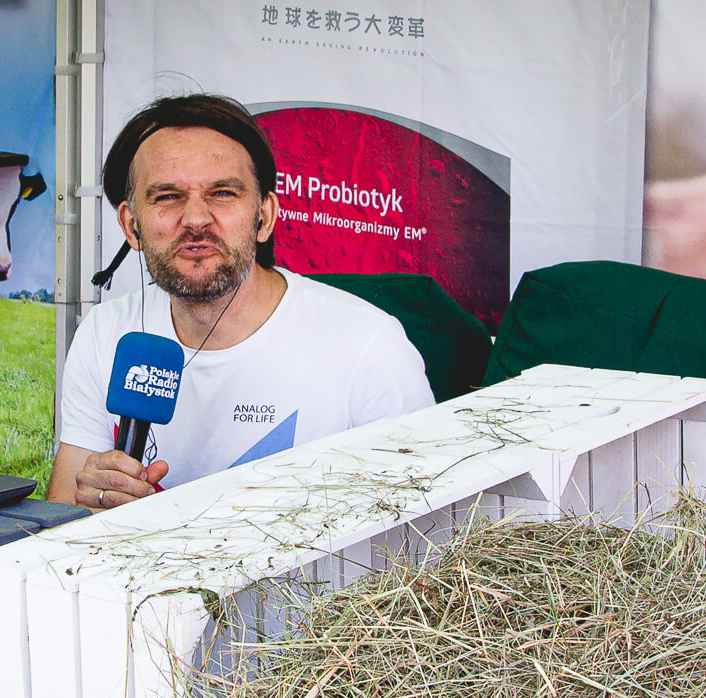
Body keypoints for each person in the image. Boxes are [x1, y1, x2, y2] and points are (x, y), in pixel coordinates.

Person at [49, 94, 433, 510]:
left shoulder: (369, 348)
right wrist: (93, 509)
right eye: (167, 197)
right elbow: (62, 517)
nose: (195, 219)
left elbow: (426, 529)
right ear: (131, 226)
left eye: (222, 193)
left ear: (264, 217)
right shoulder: (105, 334)